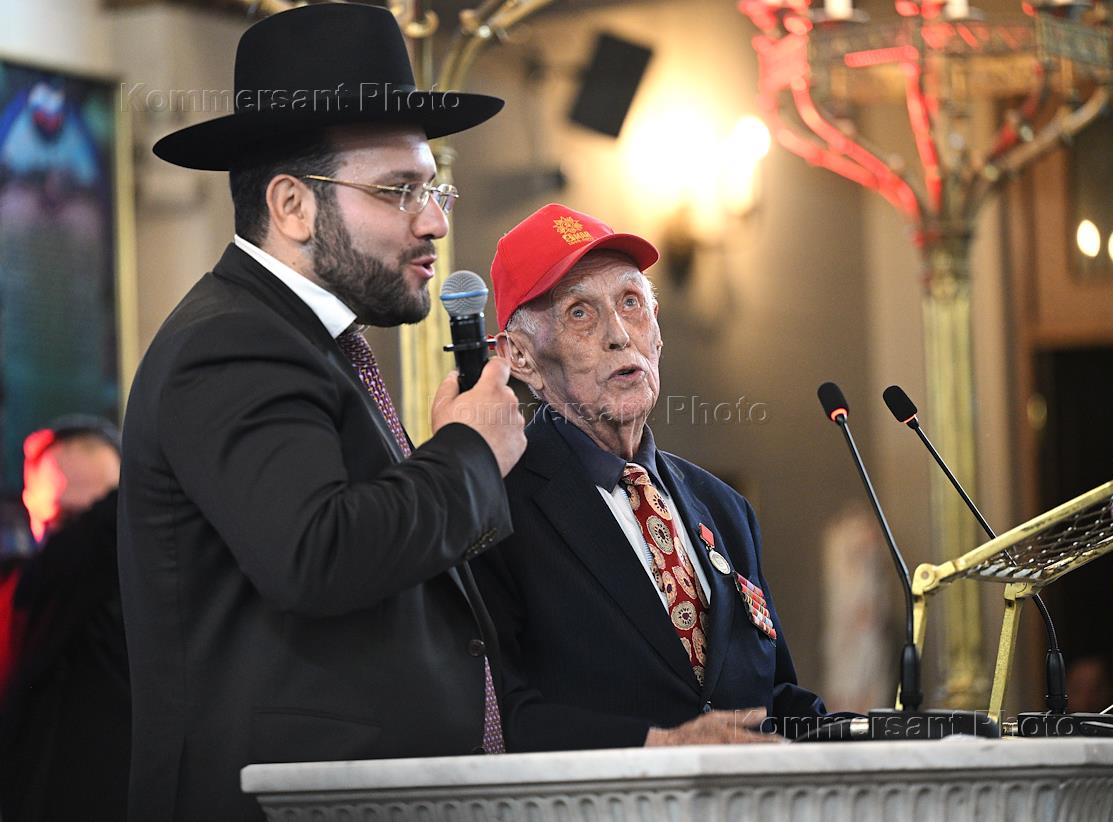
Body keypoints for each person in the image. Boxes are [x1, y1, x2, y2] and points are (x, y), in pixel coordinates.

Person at [118, 5, 525, 820]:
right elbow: (317, 551)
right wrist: (468, 452)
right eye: (399, 190)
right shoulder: (232, 342)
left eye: (434, 187)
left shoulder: (308, 341)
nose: (435, 221)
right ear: (292, 206)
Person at [472, 204, 829, 751]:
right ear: (519, 356)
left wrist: (892, 733)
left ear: (657, 331)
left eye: (631, 303)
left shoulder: (724, 508)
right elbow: (498, 720)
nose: (619, 335)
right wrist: (657, 746)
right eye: (579, 313)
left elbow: (774, 703)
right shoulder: (493, 506)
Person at [0, 416, 126, 822]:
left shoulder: (157, 610)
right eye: (67, 519)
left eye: (98, 511)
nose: (82, 534)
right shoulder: (19, 597)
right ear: (30, 503)